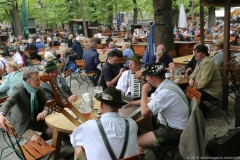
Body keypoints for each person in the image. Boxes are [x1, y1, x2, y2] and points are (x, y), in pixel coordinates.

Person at [127, 63, 189, 149]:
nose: (146, 79)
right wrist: (130, 103)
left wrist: (144, 91)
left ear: (154, 77)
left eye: (147, 76)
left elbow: (144, 112)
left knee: (136, 142)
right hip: (169, 123)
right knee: (139, 122)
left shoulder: (164, 93)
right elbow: (150, 99)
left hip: (175, 132)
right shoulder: (167, 84)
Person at [71, 86, 138, 160]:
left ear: (101, 105)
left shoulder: (89, 126)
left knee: (78, 146)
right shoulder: (131, 123)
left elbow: (73, 139)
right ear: (120, 107)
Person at [0, 68, 53, 141]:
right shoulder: (19, 89)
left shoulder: (39, 89)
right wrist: (1, 114)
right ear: (29, 82)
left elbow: (49, 103)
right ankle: (37, 144)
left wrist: (45, 111)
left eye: (39, 79)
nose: (40, 81)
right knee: (39, 142)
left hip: (36, 120)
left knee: (53, 132)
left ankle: (35, 144)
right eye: (37, 80)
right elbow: (8, 102)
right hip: (22, 123)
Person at [189, 44, 222, 112]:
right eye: (194, 52)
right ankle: (202, 109)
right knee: (186, 91)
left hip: (212, 92)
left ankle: (204, 110)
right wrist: (191, 78)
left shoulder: (207, 63)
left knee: (188, 94)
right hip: (206, 89)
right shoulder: (200, 61)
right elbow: (194, 73)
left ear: (204, 54)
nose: (195, 54)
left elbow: (204, 82)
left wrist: (194, 88)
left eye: (197, 52)